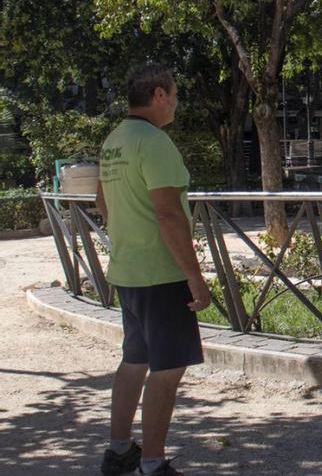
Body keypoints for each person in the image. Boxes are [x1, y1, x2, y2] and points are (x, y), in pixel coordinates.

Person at [96, 63, 210, 476]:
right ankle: (153, 463)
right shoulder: (155, 142)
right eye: (175, 95)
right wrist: (195, 276)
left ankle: (120, 450)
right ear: (159, 94)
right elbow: (169, 215)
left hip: (126, 270)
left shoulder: (114, 141)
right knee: (167, 370)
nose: (177, 104)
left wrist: (128, 235)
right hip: (161, 274)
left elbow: (103, 203)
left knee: (133, 362)